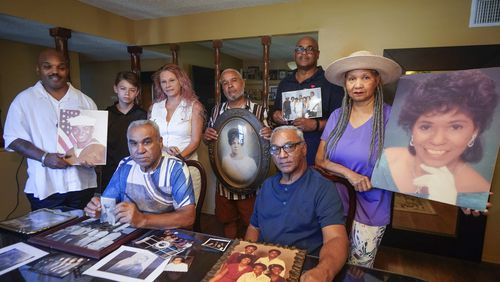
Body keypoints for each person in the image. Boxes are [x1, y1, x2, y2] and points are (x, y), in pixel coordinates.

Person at [316, 50, 402, 268]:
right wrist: (349, 174)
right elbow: (320, 160)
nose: (358, 84)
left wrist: (464, 195)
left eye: (365, 77)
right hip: (332, 206)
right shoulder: (337, 116)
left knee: (357, 270)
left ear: (377, 80)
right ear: (345, 83)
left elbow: (412, 163)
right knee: (329, 263)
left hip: (371, 208)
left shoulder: (391, 117)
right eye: (352, 78)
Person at [371, 69, 498, 210]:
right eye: (426, 126)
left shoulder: (477, 190)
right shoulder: (386, 162)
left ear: (475, 132)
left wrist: (451, 199)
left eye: (455, 127)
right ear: (412, 128)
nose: (438, 140)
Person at [246, 126, 348, 282]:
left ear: (304, 149)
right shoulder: (266, 186)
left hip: (304, 269)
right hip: (264, 268)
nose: (282, 155)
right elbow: (254, 228)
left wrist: (323, 271)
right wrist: (248, 258)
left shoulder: (323, 188)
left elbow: (336, 239)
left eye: (289, 147)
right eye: (275, 149)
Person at [3, 48, 98, 210]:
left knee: (85, 232)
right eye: (48, 66)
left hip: (82, 184)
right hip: (46, 187)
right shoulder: (24, 101)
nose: (55, 72)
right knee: (47, 235)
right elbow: (13, 139)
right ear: (38, 69)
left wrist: (93, 158)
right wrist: (44, 157)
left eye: (61, 67)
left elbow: (94, 142)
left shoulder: (86, 101)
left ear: (67, 70)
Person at [84, 120, 195, 229]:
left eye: (147, 142)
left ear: (160, 142)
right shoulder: (125, 165)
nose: (140, 150)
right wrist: (98, 210)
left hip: (163, 235)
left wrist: (142, 219)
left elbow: (188, 217)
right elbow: (107, 205)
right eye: (133, 143)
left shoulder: (175, 168)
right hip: (129, 233)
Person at [203, 68, 272, 239]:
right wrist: (206, 136)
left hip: (250, 183)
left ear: (243, 83)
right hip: (224, 182)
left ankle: (248, 255)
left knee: (252, 223)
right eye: (225, 83)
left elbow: (268, 142)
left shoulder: (260, 110)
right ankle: (228, 254)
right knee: (227, 221)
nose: (229, 86)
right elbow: (210, 141)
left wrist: (271, 134)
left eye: (233, 80)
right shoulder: (216, 110)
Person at [272, 36, 343, 165]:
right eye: (300, 49)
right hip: (287, 153)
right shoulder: (285, 83)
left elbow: (340, 121)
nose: (304, 53)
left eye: (309, 49)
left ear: (317, 54)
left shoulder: (330, 83)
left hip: (317, 153)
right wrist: (276, 115)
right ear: (295, 54)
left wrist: (316, 125)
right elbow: (275, 111)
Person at [150, 63, 205, 203]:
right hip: (159, 167)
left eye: (172, 80)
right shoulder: (154, 108)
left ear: (181, 81)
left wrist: (178, 158)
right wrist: (162, 151)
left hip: (187, 166)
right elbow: (150, 138)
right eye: (163, 81)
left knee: (187, 212)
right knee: (162, 212)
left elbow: (195, 141)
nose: (167, 85)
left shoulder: (194, 106)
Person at [103, 71, 147, 188]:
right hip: (110, 171)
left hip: (137, 170)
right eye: (123, 88)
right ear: (115, 88)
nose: (127, 93)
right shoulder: (106, 114)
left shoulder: (143, 116)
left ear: (137, 92)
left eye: (132, 90)